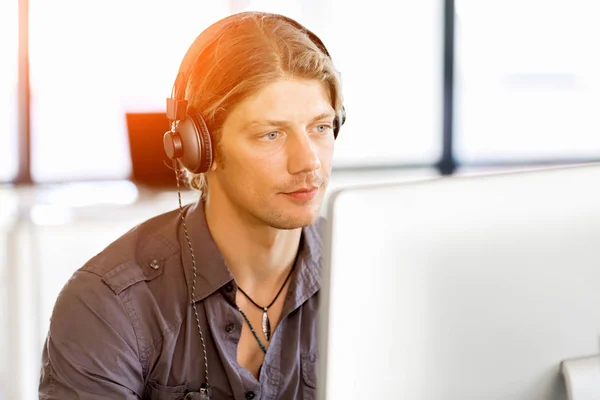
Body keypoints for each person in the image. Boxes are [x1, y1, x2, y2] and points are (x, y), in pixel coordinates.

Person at [38, 11, 345, 400]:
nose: (309, 163)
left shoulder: (371, 277)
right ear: (202, 149)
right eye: (271, 134)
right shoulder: (107, 306)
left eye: (320, 128)